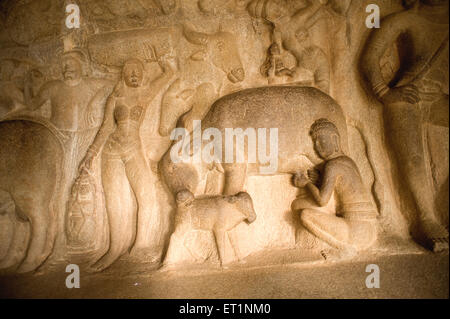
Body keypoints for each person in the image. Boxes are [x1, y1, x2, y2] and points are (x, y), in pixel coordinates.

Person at [361, 0, 449, 251]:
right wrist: (385, 93)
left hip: (441, 98)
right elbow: (368, 61)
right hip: (407, 97)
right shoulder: (406, 20)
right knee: (411, 158)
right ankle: (425, 217)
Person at [80, 56, 175, 271]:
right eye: (129, 70)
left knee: (146, 196)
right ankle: (114, 249)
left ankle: (141, 245)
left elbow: (170, 74)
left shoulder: (145, 93)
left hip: (133, 149)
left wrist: (161, 58)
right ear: (123, 74)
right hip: (111, 151)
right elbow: (105, 127)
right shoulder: (116, 97)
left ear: (143, 75)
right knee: (113, 203)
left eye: (137, 70)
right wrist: (90, 154)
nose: (133, 74)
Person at [293, 119, 378, 254]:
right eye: (315, 142)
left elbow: (322, 200)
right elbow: (343, 186)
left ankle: (344, 249)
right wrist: (320, 180)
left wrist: (306, 183)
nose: (317, 146)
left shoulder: (332, 165)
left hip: (355, 230)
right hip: (371, 229)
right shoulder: (348, 161)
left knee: (305, 215)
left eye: (321, 139)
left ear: (335, 139)